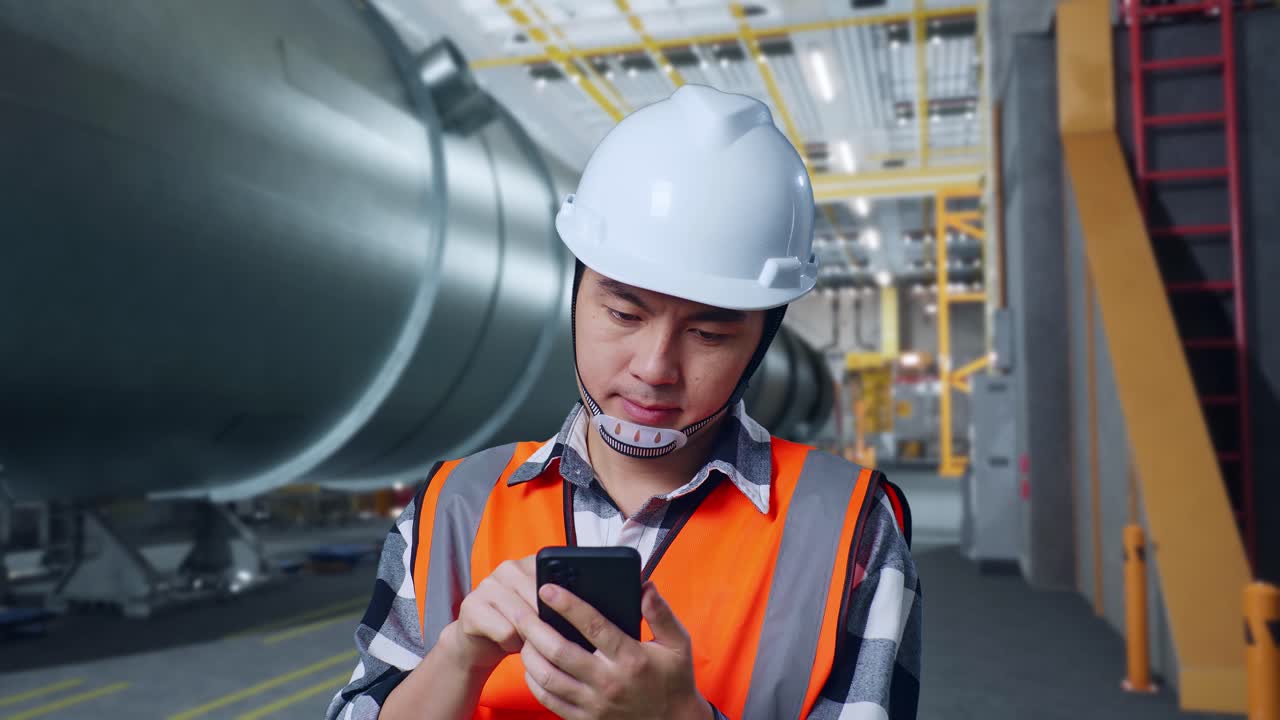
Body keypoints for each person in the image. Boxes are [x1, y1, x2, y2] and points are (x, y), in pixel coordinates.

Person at [325, 83, 921, 720]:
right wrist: (458, 657)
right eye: (622, 312)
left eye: (709, 333)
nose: (654, 368)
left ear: (761, 340)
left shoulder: (847, 527)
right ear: (576, 297)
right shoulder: (454, 506)